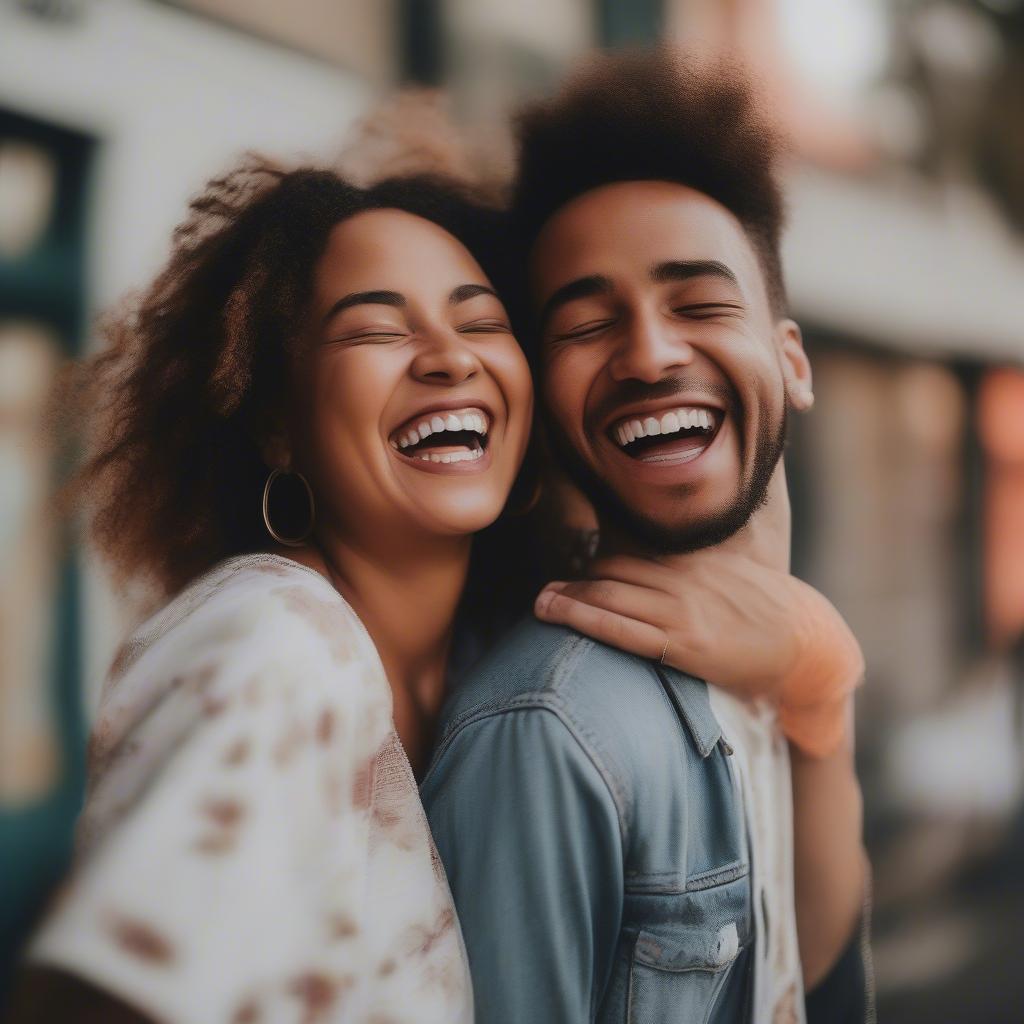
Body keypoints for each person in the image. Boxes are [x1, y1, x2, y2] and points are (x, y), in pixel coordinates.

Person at [420, 50, 871, 1024]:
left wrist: (821, 688)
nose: (651, 353)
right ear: (542, 402)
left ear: (790, 358)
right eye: (585, 324)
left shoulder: (773, 670)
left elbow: (812, 972)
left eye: (700, 303)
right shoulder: (549, 727)